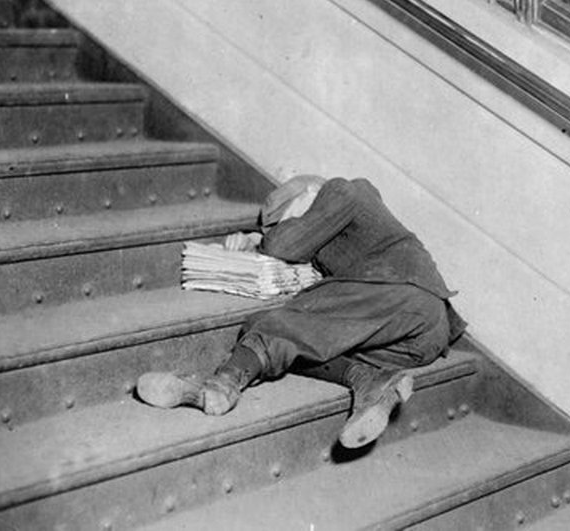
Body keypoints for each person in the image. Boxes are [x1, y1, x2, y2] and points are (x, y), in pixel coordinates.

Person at [137, 175, 466, 448]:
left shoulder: (343, 190)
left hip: (402, 295)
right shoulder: (349, 233)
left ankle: (219, 386)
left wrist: (259, 241)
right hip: (417, 341)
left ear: (310, 194)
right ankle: (369, 381)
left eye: (287, 219)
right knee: (292, 339)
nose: (288, 227)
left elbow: (284, 245)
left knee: (277, 327)